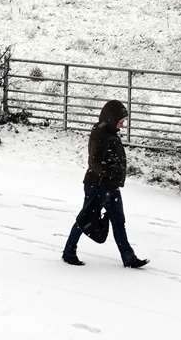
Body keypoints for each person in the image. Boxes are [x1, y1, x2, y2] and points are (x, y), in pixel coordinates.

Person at [61, 99, 149, 268]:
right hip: (97, 185)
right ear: (110, 119)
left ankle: (128, 257)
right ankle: (68, 251)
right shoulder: (99, 134)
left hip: (111, 187)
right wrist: (107, 175)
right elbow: (93, 162)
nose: (122, 126)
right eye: (120, 121)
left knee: (118, 221)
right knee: (85, 219)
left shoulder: (109, 133)